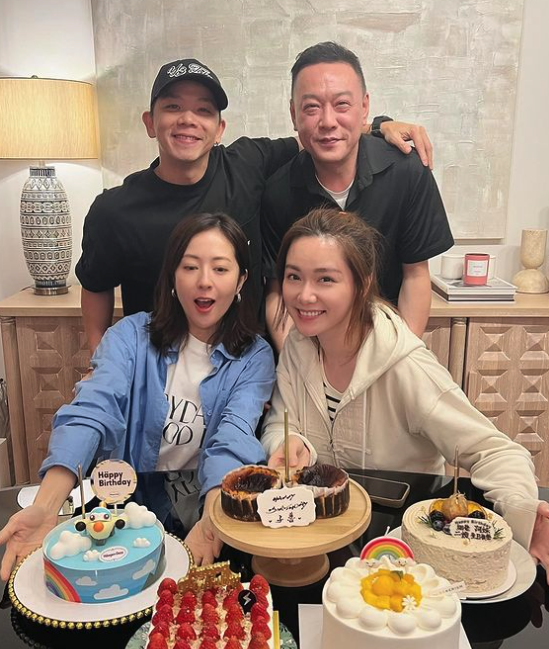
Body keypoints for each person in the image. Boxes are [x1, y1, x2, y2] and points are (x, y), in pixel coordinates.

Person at [75, 57, 435, 353]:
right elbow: (95, 286)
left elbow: (319, 134)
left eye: (203, 110)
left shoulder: (247, 164)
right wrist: (99, 360)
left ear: (220, 128)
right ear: (150, 122)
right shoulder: (114, 209)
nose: (188, 119)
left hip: (244, 365)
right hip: (157, 366)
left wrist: (379, 126)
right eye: (173, 107)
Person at [261, 208, 549, 575]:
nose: (304, 295)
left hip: (400, 554)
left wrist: (525, 515)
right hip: (321, 544)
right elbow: (280, 422)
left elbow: (496, 452)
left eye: (325, 279)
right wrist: (287, 442)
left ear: (362, 283)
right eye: (294, 277)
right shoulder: (297, 347)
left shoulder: (406, 365)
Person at [0, 213, 276, 580]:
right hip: (126, 506)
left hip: (206, 501)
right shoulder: (130, 336)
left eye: (220, 269)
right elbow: (92, 409)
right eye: (190, 267)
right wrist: (47, 504)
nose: (204, 281)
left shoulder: (255, 356)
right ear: (173, 276)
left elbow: (233, 437)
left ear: (241, 280)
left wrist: (213, 519)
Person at [262, 42, 454, 348]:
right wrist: (298, 362)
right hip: (310, 347)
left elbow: (416, 277)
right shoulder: (277, 191)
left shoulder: (407, 172)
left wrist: (397, 358)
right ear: (294, 114)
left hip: (386, 342)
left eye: (342, 104)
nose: (328, 121)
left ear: (364, 107)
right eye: (311, 107)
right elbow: (277, 291)